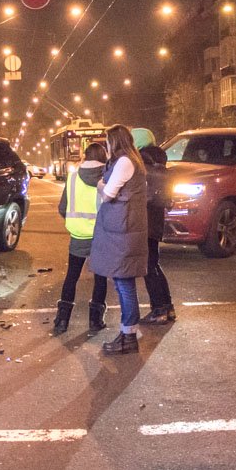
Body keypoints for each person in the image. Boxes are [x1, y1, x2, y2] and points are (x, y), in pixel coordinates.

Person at [88, 124, 149, 355]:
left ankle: (128, 336)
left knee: (124, 284)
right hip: (126, 229)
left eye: (108, 141)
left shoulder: (124, 162)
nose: (106, 145)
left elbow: (109, 193)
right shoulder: (133, 160)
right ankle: (127, 334)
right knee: (125, 283)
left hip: (123, 232)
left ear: (116, 141)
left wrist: (100, 184)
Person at [52, 142, 109, 336]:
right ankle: (95, 320)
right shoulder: (107, 178)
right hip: (101, 235)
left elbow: (62, 207)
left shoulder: (73, 177)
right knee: (100, 278)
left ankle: (62, 320)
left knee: (72, 276)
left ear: (85, 156)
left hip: (77, 235)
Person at [140, 142, 176, 324]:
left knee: (148, 268)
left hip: (145, 225)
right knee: (154, 265)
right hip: (156, 226)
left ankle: (159, 310)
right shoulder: (162, 172)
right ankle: (167, 307)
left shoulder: (146, 171)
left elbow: (142, 199)